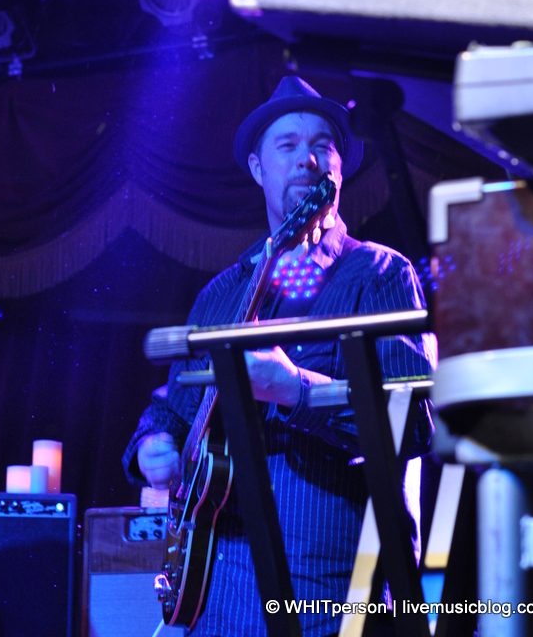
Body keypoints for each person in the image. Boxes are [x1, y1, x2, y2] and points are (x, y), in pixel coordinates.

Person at [123, 76, 434, 637]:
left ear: (339, 168)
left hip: (330, 596)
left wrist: (296, 389)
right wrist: (154, 444)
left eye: (322, 145)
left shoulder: (380, 274)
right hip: (215, 597)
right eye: (287, 146)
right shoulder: (221, 293)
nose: (307, 159)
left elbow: (412, 423)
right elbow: (171, 408)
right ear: (258, 169)